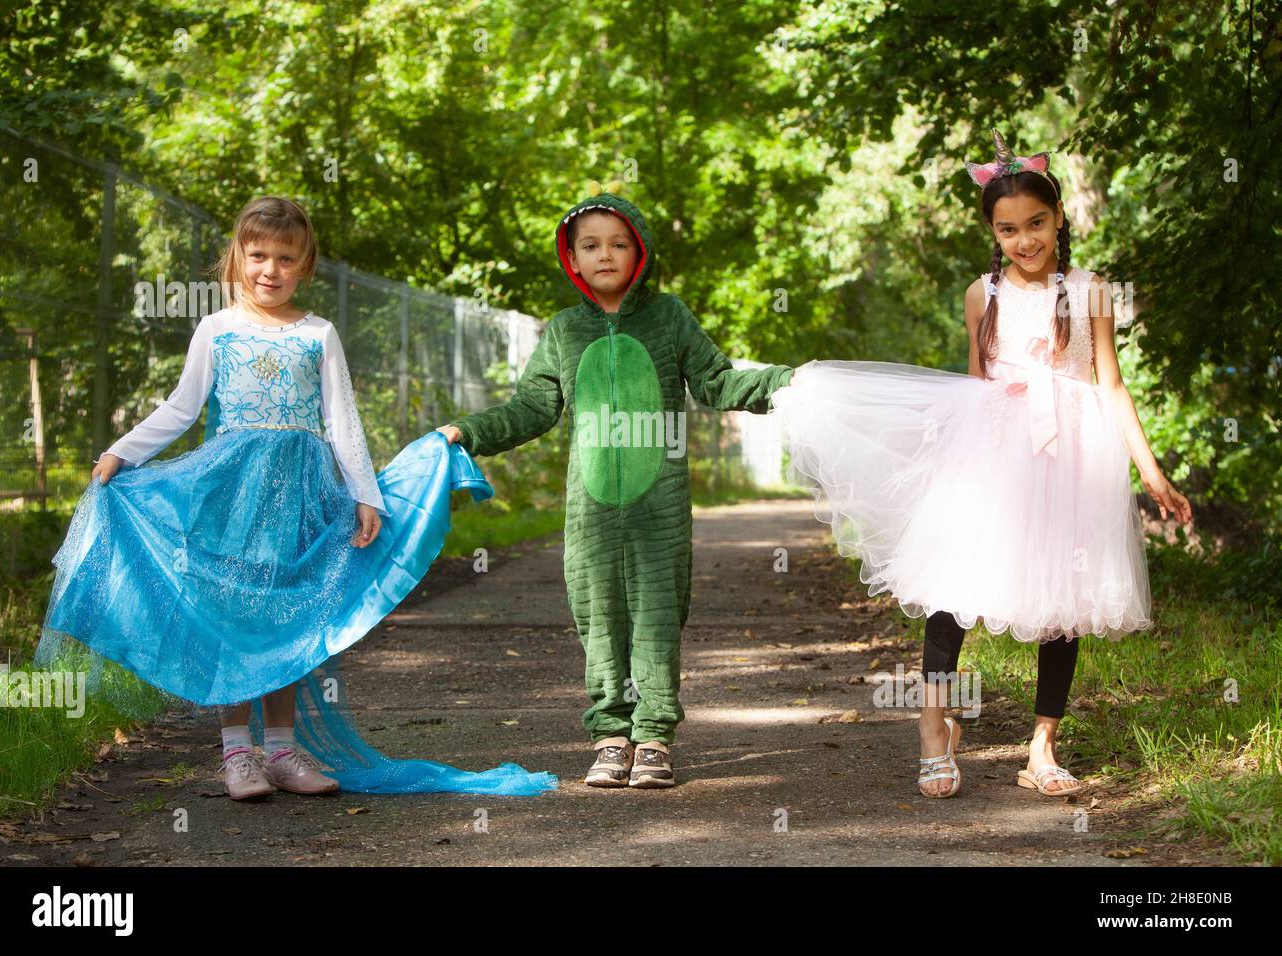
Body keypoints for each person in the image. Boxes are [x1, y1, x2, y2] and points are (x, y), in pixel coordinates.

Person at [37, 196, 556, 800]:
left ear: (305, 266)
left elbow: (342, 421)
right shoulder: (218, 328)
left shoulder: (318, 333)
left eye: (286, 259)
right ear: (237, 258)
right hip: (230, 494)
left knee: (287, 617)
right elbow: (182, 407)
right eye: (257, 255)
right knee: (235, 616)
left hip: (302, 498)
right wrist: (123, 452)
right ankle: (238, 756)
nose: (270, 270)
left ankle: (281, 750)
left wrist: (366, 495)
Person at [772, 130, 1193, 799]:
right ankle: (934, 729)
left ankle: (1042, 747)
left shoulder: (1091, 293)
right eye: (1008, 230)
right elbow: (973, 386)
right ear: (991, 233)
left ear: (1059, 219)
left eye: (1036, 224)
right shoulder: (982, 295)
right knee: (952, 592)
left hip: (1073, 457)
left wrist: (1152, 471)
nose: (1025, 241)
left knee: (1065, 602)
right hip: (992, 452)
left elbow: (1111, 384)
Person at [438, 188, 795, 788]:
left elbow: (716, 381)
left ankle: (653, 735)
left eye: (619, 243)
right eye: (590, 246)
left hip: (661, 509)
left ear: (641, 252)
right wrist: (466, 432)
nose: (606, 255)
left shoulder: (670, 317)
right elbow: (531, 409)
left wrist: (785, 383)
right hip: (592, 513)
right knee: (598, 615)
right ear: (572, 259)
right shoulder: (562, 333)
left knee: (657, 614)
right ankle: (609, 734)